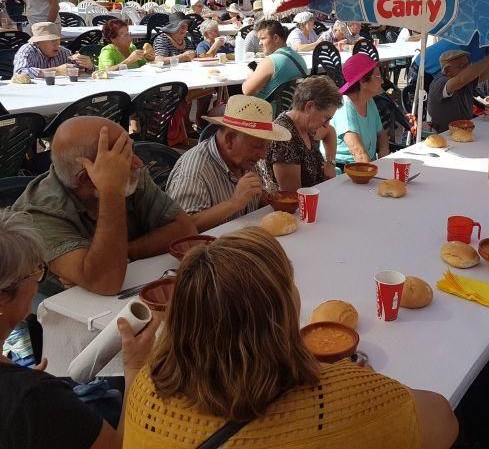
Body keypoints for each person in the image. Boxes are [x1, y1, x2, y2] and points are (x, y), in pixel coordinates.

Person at [123, 227, 458, 448]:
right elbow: (444, 420)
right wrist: (354, 384)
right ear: (283, 311)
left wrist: (135, 366)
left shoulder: (146, 393)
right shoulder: (349, 399)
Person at [0, 209, 160, 449]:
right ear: (3, 297)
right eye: (35, 273)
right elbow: (122, 446)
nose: (36, 284)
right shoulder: (34, 398)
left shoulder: (31, 394)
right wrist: (136, 367)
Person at [13, 117, 196, 295]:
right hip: (57, 310)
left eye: (130, 152)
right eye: (122, 157)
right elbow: (106, 282)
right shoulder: (39, 214)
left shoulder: (132, 175)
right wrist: (111, 192)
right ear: (87, 178)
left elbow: (185, 232)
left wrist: (123, 253)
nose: (139, 163)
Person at [166, 96, 287, 233]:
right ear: (230, 140)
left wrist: (265, 199)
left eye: (266, 147)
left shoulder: (245, 158)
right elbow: (181, 228)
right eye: (257, 146)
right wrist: (234, 203)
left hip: (245, 240)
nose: (263, 155)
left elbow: (254, 203)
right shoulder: (193, 172)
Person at [261, 76, 341, 194]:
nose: (326, 125)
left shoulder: (306, 126)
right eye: (326, 118)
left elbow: (330, 132)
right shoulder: (284, 139)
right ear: (309, 107)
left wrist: (330, 163)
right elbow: (294, 196)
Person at [412, 36, 489, 110]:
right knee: (422, 119)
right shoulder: (479, 43)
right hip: (424, 70)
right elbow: (465, 81)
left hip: (440, 72)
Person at [428, 47, 489, 132]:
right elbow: (461, 79)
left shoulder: (466, 81)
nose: (467, 69)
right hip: (445, 135)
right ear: (447, 71)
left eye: (468, 65)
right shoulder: (440, 83)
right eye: (462, 66)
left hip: (466, 130)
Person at [332, 53, 389, 164]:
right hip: (346, 170)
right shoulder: (345, 106)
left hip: (367, 164)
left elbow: (381, 133)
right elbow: (358, 153)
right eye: (378, 76)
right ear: (363, 81)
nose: (382, 81)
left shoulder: (369, 100)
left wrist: (384, 150)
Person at [242, 19, 308, 101]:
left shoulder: (269, 62)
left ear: (276, 38)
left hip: (269, 111)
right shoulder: (298, 57)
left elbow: (247, 91)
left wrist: (251, 75)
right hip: (293, 108)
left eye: (262, 38)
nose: (260, 43)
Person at [13, 22, 94, 78]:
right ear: (37, 43)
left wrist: (89, 67)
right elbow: (19, 72)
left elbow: (79, 71)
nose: (57, 44)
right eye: (51, 40)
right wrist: (56, 71)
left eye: (57, 39)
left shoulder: (64, 52)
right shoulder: (27, 51)